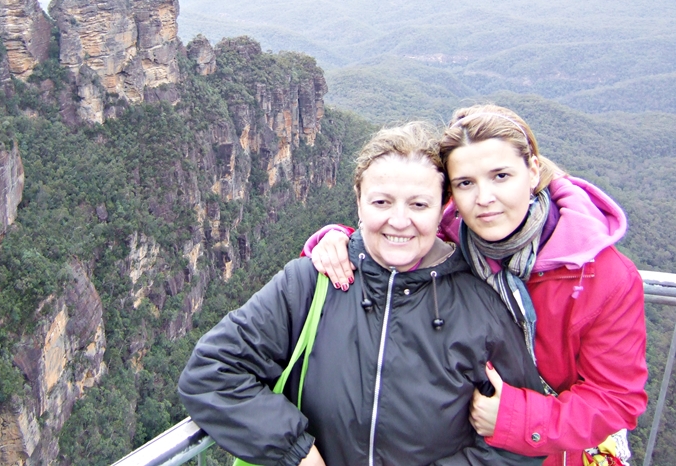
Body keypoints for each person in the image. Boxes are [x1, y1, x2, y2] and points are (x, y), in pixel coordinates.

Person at [179, 122, 546, 466]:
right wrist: (295, 451)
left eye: (418, 204)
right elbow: (211, 371)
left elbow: (521, 443)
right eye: (381, 202)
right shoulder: (310, 283)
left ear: (442, 208)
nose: (399, 221)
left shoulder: (482, 304)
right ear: (358, 202)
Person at [303, 105, 648, 466]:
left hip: (549, 452)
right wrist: (338, 241)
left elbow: (617, 399)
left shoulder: (601, 277)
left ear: (532, 171)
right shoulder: (452, 236)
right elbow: (394, 238)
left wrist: (514, 418)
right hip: (460, 445)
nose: (484, 198)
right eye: (466, 183)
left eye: (501, 176)